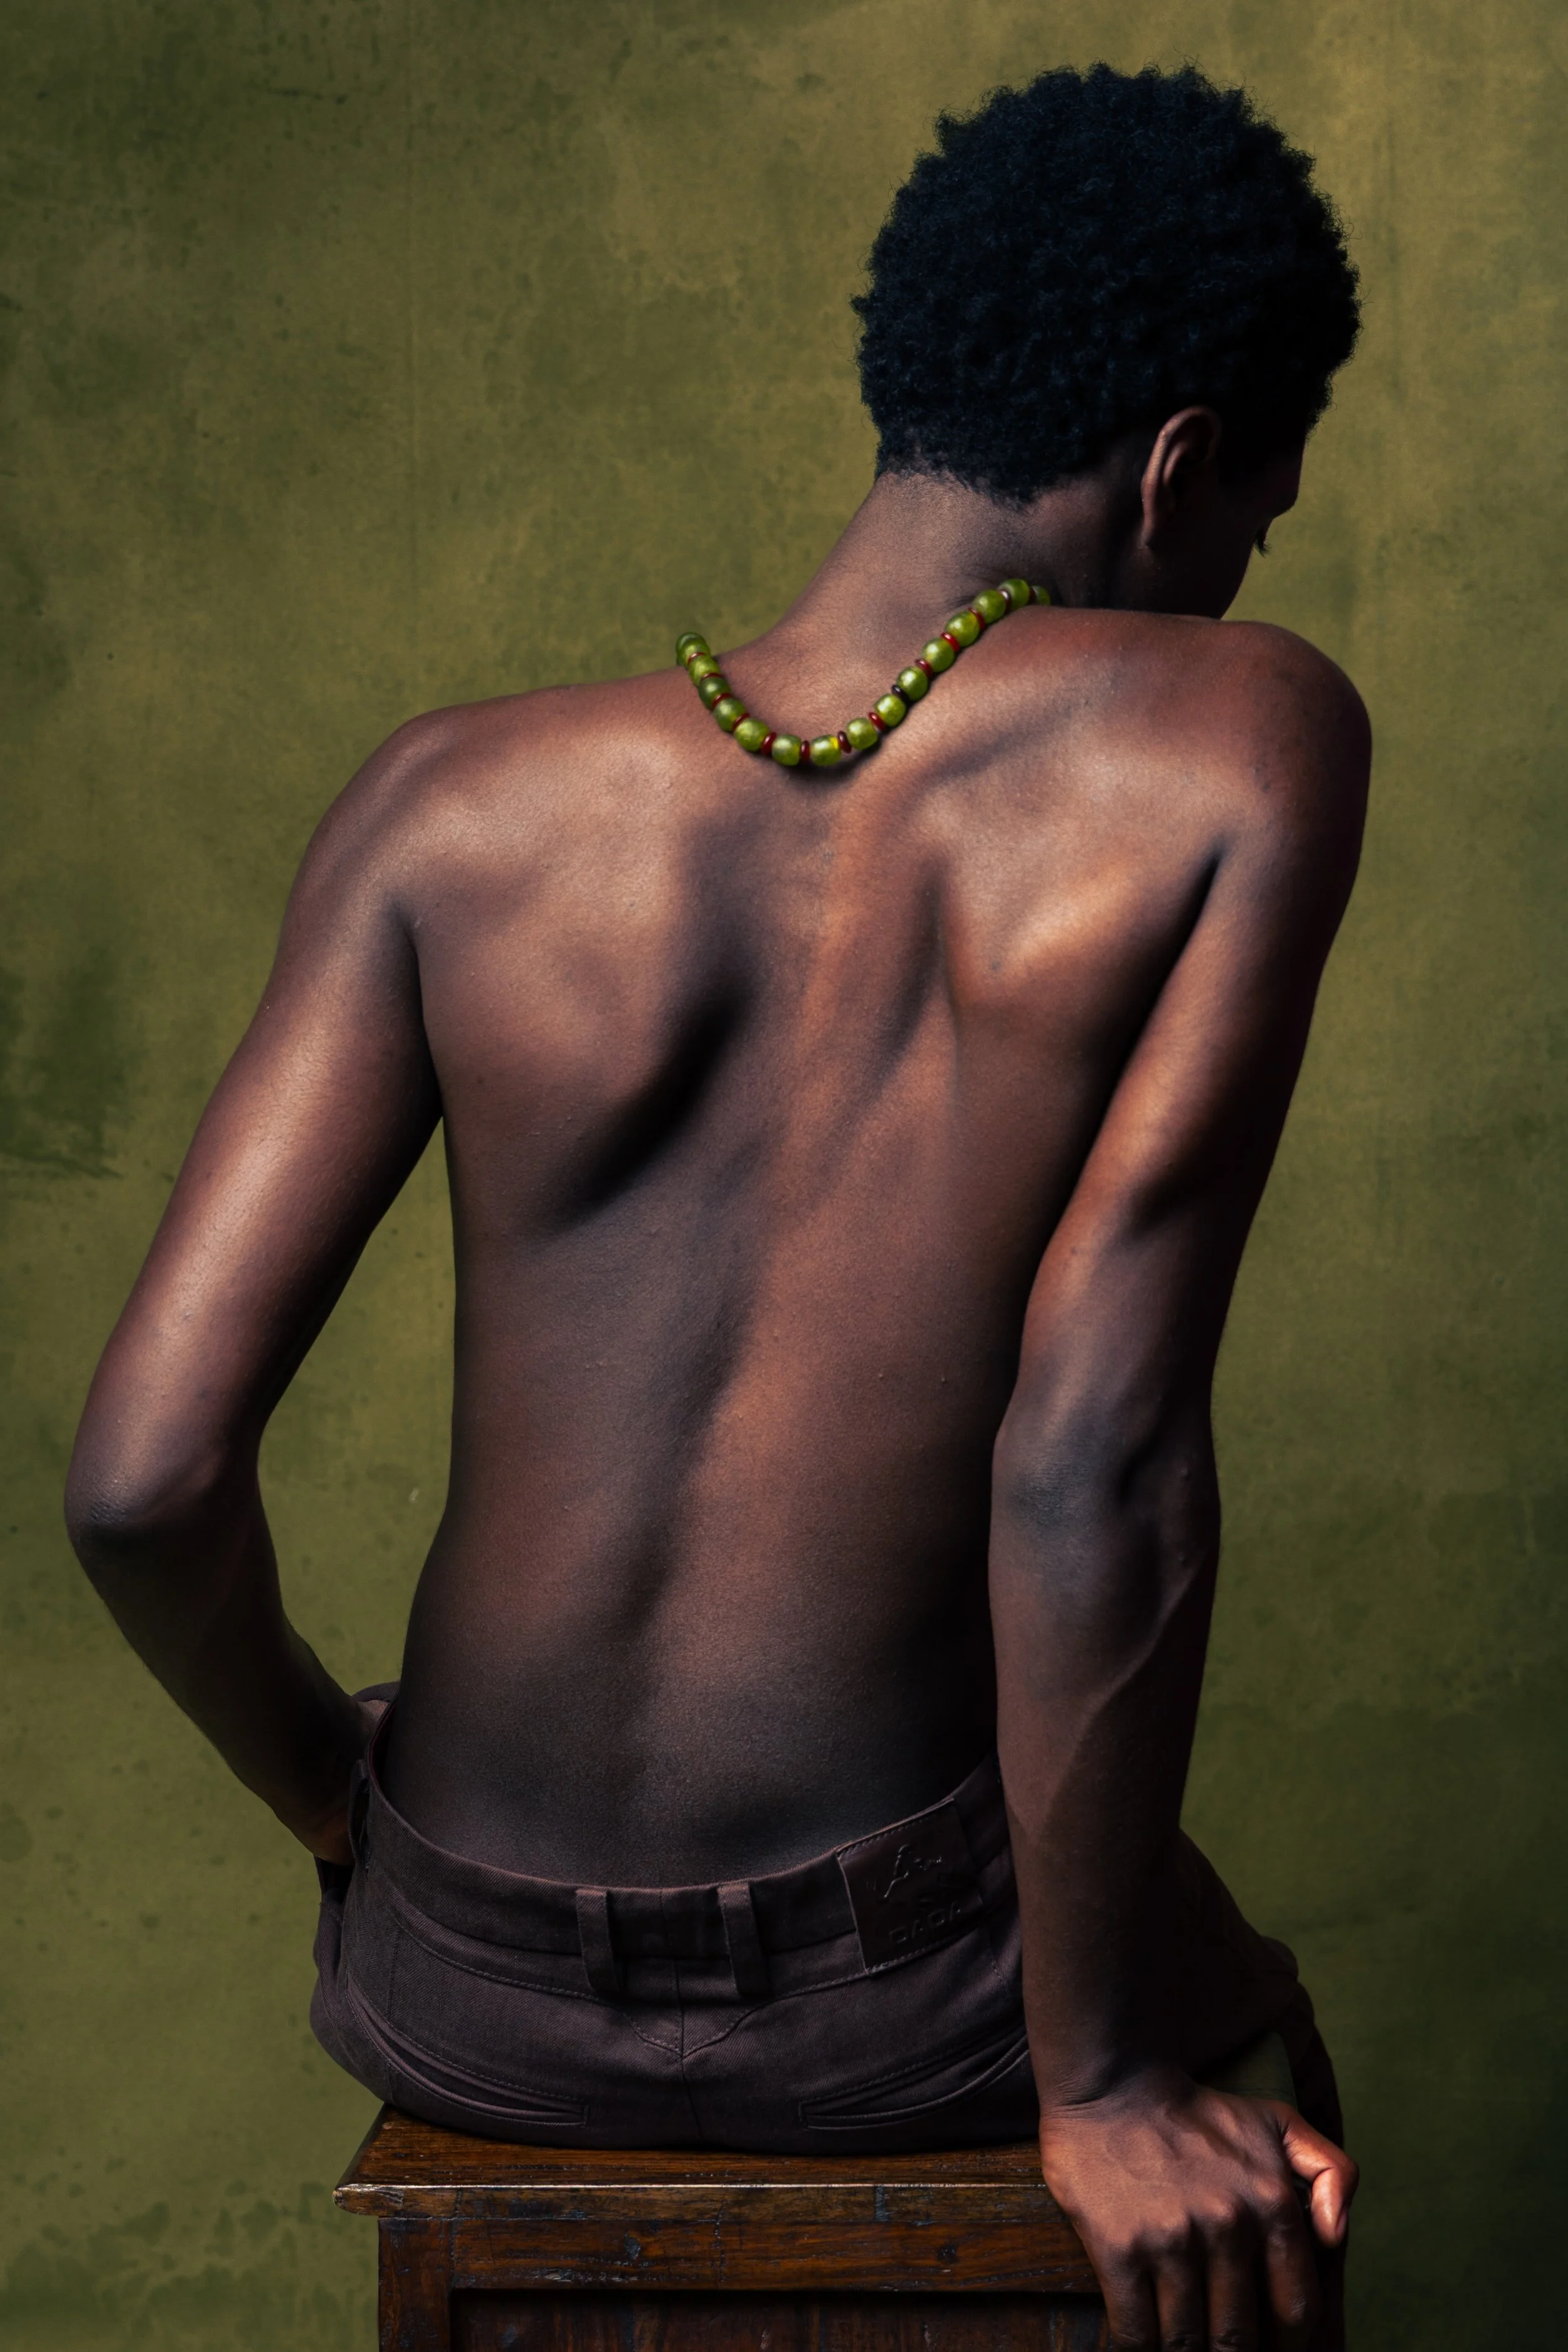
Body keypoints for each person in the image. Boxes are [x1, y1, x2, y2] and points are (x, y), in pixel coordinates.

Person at [66, 60, 1370, 2352]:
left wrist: (338, 1812)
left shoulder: (447, 802)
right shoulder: (1231, 737)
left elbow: (141, 1478)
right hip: (906, 2004)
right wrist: (1092, 2082)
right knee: (1253, 2053)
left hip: (457, 1974)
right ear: (1179, 466)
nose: (1239, 573)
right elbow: (1092, 1461)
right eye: (1253, 512)